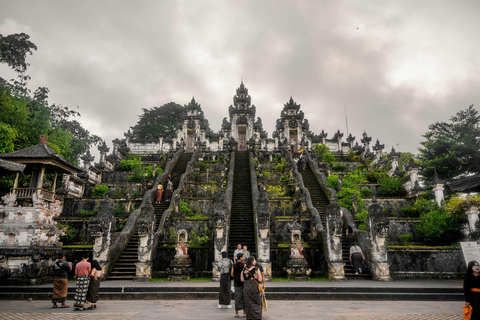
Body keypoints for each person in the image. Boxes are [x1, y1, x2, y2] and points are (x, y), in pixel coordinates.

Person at [231, 253, 246, 318]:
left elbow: (232, 274)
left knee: (237, 297)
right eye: (243, 257)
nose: (244, 258)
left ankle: (236, 313)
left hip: (236, 282)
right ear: (240, 258)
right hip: (243, 283)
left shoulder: (234, 265)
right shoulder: (244, 265)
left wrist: (236, 277)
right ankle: (244, 312)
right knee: (244, 297)